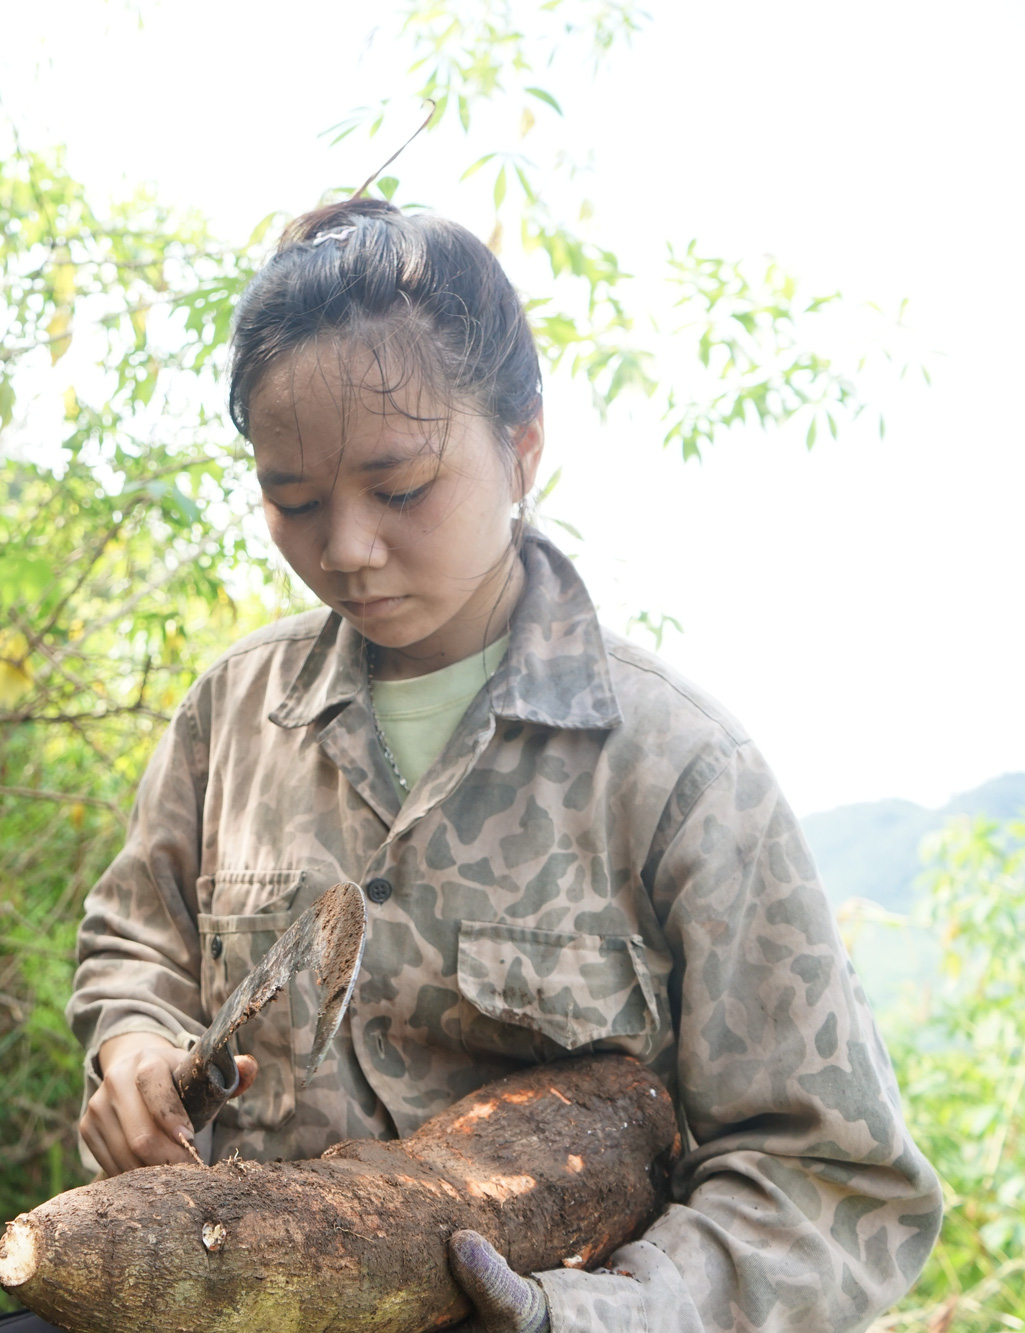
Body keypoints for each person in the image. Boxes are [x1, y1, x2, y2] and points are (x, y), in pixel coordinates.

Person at [62, 197, 943, 1333]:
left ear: (521, 441)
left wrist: (586, 1315)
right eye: (292, 501)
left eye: (399, 488)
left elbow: (832, 1187)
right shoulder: (232, 717)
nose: (346, 549)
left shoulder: (673, 773)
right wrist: (132, 1044)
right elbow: (135, 936)